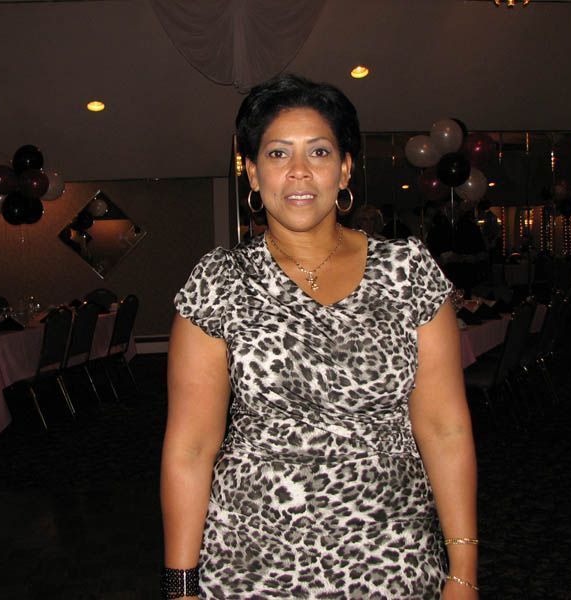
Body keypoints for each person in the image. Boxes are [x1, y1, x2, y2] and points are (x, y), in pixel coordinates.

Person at [161, 74, 478, 599]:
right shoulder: (219, 281)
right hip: (251, 563)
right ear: (253, 173)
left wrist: (463, 570)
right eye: (279, 153)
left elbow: (446, 430)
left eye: (320, 151)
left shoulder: (408, 271)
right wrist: (180, 586)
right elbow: (191, 448)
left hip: (392, 559)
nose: (300, 172)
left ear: (345, 168)